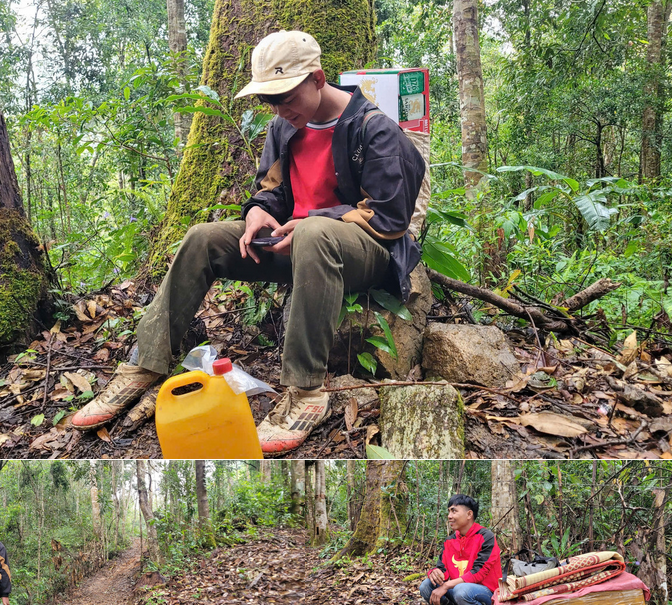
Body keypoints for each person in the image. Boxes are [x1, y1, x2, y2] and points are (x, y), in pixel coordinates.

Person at [70, 30, 425, 455]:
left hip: (363, 252)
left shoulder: (374, 128)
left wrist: (310, 223)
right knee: (203, 237)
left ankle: (306, 391)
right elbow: (272, 188)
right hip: (296, 243)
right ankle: (145, 363)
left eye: (286, 97)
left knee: (312, 233)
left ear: (317, 78)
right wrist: (258, 210)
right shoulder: (283, 126)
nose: (279, 109)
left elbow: (388, 216)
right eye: (269, 100)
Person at [419, 494, 501, 605]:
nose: (449, 516)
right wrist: (435, 573)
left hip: (486, 596)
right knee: (426, 586)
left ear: (469, 514)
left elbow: (479, 572)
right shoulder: (450, 541)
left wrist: (446, 586)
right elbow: (442, 569)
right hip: (461, 593)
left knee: (461, 590)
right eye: (449, 511)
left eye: (454, 511)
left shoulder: (486, 536)